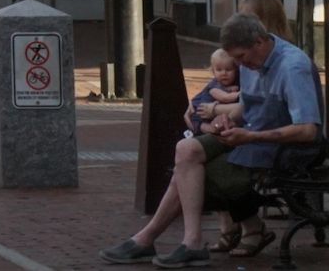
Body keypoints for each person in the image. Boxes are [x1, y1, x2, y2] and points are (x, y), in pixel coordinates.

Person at [102, 13, 318, 265]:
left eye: (241, 57)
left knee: (188, 172)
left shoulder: (292, 67)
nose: (240, 65)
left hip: (280, 147)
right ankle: (172, 241)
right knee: (185, 149)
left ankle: (165, 240)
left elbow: (308, 130)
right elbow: (244, 109)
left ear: (259, 42)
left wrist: (250, 135)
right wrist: (222, 120)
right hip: (249, 135)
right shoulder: (251, 63)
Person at [185, 49, 242, 144]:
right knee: (208, 128)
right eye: (219, 70)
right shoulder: (214, 86)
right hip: (197, 113)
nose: (224, 73)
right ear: (213, 72)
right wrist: (240, 94)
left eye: (228, 69)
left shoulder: (228, 84)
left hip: (208, 114)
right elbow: (224, 97)